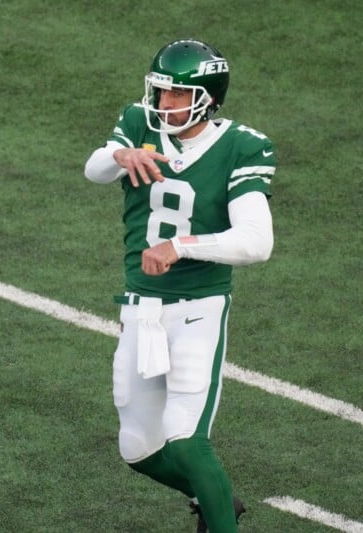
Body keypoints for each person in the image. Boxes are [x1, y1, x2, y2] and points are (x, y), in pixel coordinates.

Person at [83, 39, 274, 532]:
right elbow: (95, 169)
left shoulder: (240, 146)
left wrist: (181, 246)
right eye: (160, 92)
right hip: (140, 310)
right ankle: (216, 504)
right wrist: (120, 155)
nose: (163, 104)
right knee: (137, 447)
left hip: (198, 311)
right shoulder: (138, 123)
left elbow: (256, 242)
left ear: (207, 98)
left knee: (186, 438)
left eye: (176, 95)